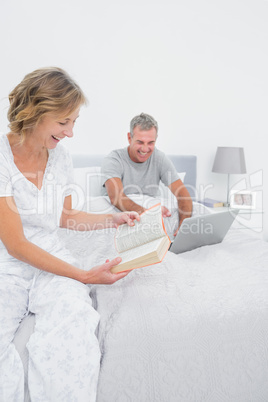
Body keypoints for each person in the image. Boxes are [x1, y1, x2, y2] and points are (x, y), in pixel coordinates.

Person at [0, 67, 139, 402]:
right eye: (64, 122)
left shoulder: (60, 156)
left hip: (52, 255)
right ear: (35, 112)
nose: (71, 132)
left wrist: (113, 219)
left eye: (74, 122)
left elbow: (63, 215)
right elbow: (16, 244)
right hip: (8, 263)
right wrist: (82, 274)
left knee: (76, 319)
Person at [101, 112, 192, 236]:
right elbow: (116, 198)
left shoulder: (159, 158)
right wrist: (150, 214)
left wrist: (184, 226)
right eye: (140, 142)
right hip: (123, 215)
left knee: (197, 212)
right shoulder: (114, 159)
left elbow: (183, 195)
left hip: (150, 214)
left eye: (150, 143)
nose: (145, 149)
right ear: (129, 137)